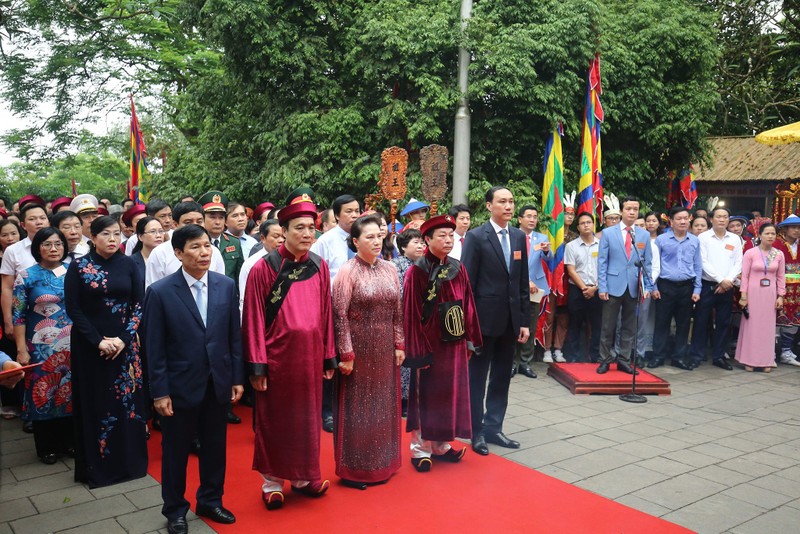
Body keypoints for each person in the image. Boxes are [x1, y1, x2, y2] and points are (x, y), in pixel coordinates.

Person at [143, 224, 243, 533]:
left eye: (206, 246)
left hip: (217, 382)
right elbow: (153, 347)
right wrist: (159, 392)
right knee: (175, 452)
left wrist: (237, 378)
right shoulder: (160, 292)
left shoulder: (225, 285)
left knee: (215, 447)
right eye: (195, 247)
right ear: (178, 253)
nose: (204, 252)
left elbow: (233, 337)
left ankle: (210, 500)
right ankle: (175, 509)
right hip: (179, 384)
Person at [242, 199, 336, 509]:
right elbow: (253, 319)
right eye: (300, 228)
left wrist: (328, 355)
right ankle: (272, 481)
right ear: (283, 231)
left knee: (307, 419)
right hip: (277, 360)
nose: (307, 233)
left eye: (311, 228)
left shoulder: (319, 266)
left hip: (309, 358)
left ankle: (304, 477)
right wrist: (257, 366)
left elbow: (326, 313)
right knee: (276, 420)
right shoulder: (263, 268)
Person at [65, 216, 147, 488]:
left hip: (125, 347)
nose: (112, 239)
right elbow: (73, 309)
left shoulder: (130, 264)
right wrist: (98, 341)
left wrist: (124, 339)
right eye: (106, 235)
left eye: (116, 234)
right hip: (91, 347)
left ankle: (130, 464)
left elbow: (139, 304)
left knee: (128, 403)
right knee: (96, 401)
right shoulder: (78, 267)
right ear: (93, 238)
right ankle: (98, 466)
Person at [403, 214, 481, 472]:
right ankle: (420, 449)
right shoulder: (417, 271)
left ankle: (440, 445)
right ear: (427, 239)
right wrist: (417, 350)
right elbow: (411, 314)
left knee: (448, 395)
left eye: (451, 235)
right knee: (426, 396)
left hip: (454, 343)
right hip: (429, 345)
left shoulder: (458, 268)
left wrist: (470, 340)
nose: (448, 240)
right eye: (441, 236)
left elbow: (468, 304)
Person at [332, 214, 404, 488]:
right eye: (369, 237)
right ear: (355, 241)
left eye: (379, 236)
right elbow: (339, 315)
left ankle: (383, 462)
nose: (376, 241)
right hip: (358, 350)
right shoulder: (347, 271)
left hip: (385, 348)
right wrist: (346, 354)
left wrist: (399, 344)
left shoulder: (389, 269)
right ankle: (355, 470)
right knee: (358, 408)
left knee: (384, 406)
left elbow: (398, 310)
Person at [462, 186, 529, 455]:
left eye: (511, 201)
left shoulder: (518, 237)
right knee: (477, 377)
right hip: (483, 321)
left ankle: (494, 427)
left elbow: (522, 282)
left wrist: (523, 320)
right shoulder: (477, 237)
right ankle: (475, 430)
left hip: (511, 321)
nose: (509, 206)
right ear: (489, 206)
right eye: (502, 202)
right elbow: (466, 285)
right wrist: (469, 325)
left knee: (502, 377)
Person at [12, 227, 73, 464]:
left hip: (71, 342)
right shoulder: (26, 276)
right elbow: (18, 315)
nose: (54, 248)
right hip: (40, 344)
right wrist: (21, 349)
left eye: (58, 244)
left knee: (69, 391)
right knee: (43, 393)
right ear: (38, 248)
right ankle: (46, 447)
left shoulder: (73, 271)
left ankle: (70, 442)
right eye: (47, 244)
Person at [310, 193, 361, 433]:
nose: (354, 215)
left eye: (357, 210)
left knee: (356, 359)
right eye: (348, 211)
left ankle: (353, 407)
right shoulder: (326, 241)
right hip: (333, 307)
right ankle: (327, 411)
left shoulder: (364, 236)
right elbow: (318, 276)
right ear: (337, 215)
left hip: (361, 310)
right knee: (333, 358)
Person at [597, 196, 652, 374]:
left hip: (634, 286)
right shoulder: (608, 233)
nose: (632, 212)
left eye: (635, 209)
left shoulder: (643, 235)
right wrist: (602, 287)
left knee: (629, 326)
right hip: (613, 285)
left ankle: (624, 359)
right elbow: (602, 262)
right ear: (621, 211)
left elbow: (648, 263)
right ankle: (605, 359)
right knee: (608, 326)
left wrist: (648, 287)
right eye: (629, 208)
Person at [649, 207, 702, 370]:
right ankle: (658, 356)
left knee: (683, 324)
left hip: (686, 287)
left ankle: (678, 357)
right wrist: (654, 286)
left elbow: (698, 265)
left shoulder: (694, 240)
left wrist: (697, 289)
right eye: (679, 218)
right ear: (671, 221)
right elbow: (654, 265)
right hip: (665, 286)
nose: (683, 221)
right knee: (661, 323)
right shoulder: (661, 240)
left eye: (686, 218)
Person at [690, 207, 743, 370]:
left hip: (727, 287)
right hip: (707, 285)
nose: (722, 219)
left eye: (725, 217)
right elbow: (703, 262)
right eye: (719, 216)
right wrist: (720, 280)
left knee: (724, 322)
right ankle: (697, 355)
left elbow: (738, 263)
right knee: (701, 321)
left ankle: (719, 356)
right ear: (711, 219)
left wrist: (727, 281)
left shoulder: (734, 239)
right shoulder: (703, 238)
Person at [736, 223, 784, 372]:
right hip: (753, 292)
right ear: (760, 235)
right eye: (767, 233)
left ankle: (766, 359)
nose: (770, 236)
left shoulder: (779, 254)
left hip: (770, 293)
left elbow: (781, 277)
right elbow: (745, 276)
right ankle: (749, 359)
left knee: (767, 327)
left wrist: (780, 296)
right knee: (752, 326)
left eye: (773, 234)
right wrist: (743, 296)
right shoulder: (750, 253)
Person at [145, 202, 226, 289]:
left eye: (199, 221)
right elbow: (153, 290)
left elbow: (220, 287)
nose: (194, 226)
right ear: (175, 225)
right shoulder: (160, 253)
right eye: (188, 222)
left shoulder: (214, 252)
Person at [514, 205, 550, 376]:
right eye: (528, 216)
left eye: (535, 216)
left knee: (530, 325)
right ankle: (512, 362)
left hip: (536, 288)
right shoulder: (512, 236)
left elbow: (549, 259)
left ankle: (525, 362)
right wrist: (525, 281)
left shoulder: (541, 237)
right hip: (515, 286)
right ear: (520, 219)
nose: (532, 220)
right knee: (514, 325)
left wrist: (547, 250)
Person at [392, 227, 425, 415]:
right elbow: (399, 294)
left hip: (422, 321)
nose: (421, 246)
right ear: (403, 247)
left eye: (422, 242)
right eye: (416, 242)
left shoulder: (425, 264)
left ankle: (417, 397)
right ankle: (404, 401)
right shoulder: (396, 265)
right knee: (404, 362)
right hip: (404, 319)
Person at [563, 212, 602, 362]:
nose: (586, 225)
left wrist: (594, 288)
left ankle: (596, 356)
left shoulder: (602, 245)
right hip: (577, 291)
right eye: (582, 223)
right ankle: (573, 357)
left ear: (593, 225)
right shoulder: (571, 246)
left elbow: (605, 268)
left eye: (589, 222)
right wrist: (585, 288)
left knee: (597, 325)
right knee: (575, 324)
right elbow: (571, 270)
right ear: (578, 227)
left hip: (597, 290)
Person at [238, 219, 284, 315]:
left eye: (284, 237)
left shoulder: (292, 259)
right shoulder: (251, 264)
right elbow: (245, 300)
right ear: (263, 238)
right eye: (276, 236)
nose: (281, 240)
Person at [198, 191, 244, 286]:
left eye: (221, 217)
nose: (218, 222)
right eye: (212, 217)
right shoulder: (197, 243)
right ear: (202, 218)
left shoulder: (234, 242)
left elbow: (239, 276)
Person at [773, 215, 800, 366]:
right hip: (781, 288)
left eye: (799, 228)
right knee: (777, 318)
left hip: (798, 290)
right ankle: (770, 352)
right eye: (793, 227)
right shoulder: (777, 244)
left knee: (795, 320)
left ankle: (786, 352)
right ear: (785, 229)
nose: (797, 231)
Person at [130, 216, 165, 290]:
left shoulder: (170, 257)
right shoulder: (130, 262)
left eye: (161, 231)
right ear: (140, 237)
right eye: (152, 231)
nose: (158, 235)